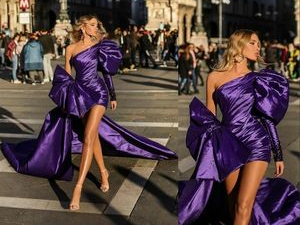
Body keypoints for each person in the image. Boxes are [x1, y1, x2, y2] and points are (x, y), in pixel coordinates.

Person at [1, 15, 176, 212]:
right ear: (83, 27)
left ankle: (78, 188)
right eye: (92, 25)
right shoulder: (70, 49)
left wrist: (112, 94)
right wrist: (65, 99)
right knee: (92, 137)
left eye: (97, 25)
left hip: (98, 93)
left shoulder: (99, 45)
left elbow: (106, 72)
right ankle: (103, 171)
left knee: (87, 137)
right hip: (80, 95)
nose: (96, 28)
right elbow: (65, 78)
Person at [178, 29, 300, 225]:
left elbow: (267, 118)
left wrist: (278, 153)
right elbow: (209, 119)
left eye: (258, 43)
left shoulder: (258, 80)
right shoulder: (214, 77)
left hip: (256, 142)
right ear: (239, 44)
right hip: (228, 145)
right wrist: (208, 151)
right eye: (253, 42)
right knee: (233, 203)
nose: (258, 47)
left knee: (243, 205)